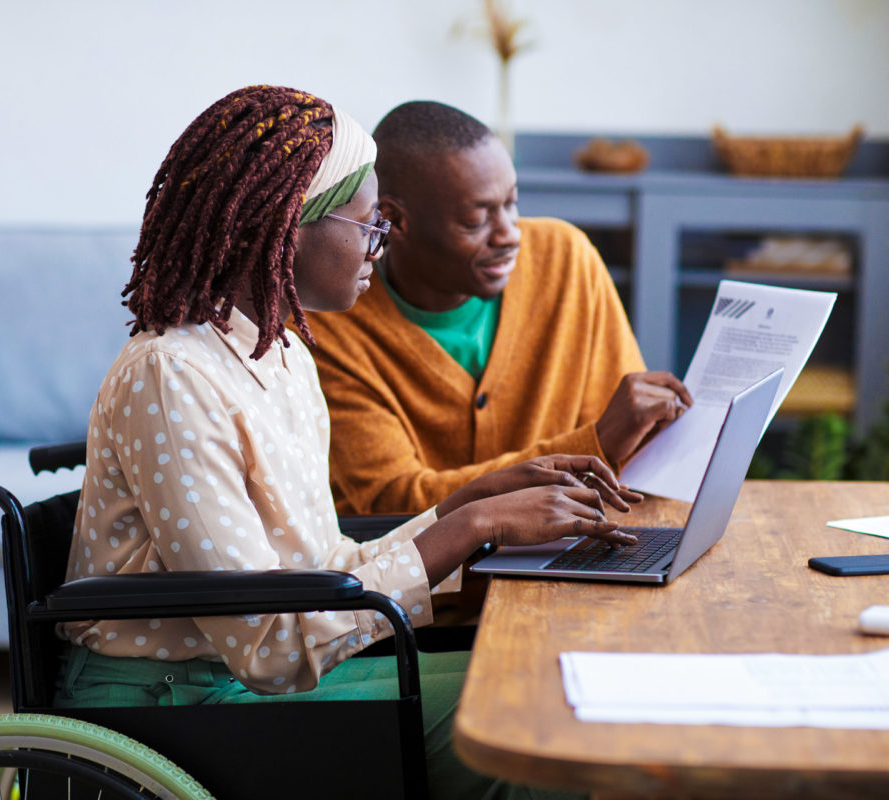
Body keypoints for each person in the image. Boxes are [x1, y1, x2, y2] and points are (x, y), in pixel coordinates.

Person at [54, 85, 640, 799]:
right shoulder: (171, 375)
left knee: (553, 678)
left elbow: (324, 567)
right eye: (369, 226)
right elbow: (265, 644)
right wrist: (473, 526)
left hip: (261, 680)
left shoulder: (282, 353)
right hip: (183, 700)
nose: (381, 244)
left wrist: (473, 505)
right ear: (285, 230)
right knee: (537, 719)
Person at [304, 100, 693, 515]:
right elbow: (393, 503)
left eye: (511, 203)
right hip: (422, 579)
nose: (509, 235)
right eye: (476, 221)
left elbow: (635, 455)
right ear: (395, 221)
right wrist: (593, 446)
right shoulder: (327, 324)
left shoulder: (566, 259)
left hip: (570, 553)